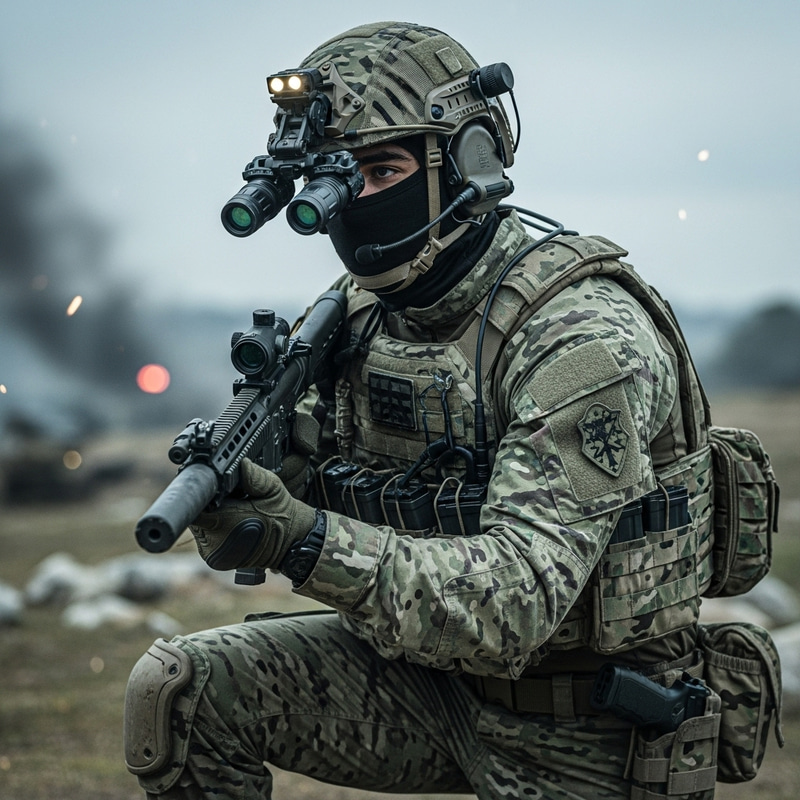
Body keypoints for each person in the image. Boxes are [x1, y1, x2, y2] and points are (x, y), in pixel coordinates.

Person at [125, 20, 727, 799]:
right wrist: (259, 498)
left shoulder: (579, 335)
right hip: (422, 683)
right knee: (180, 689)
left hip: (584, 722)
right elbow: (333, 484)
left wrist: (304, 542)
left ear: (467, 161)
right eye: (334, 177)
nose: (356, 201)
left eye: (382, 169)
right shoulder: (359, 312)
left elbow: (519, 602)